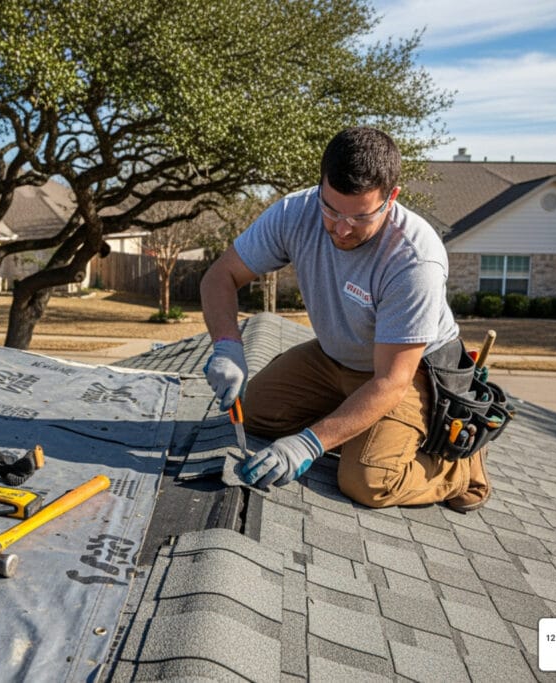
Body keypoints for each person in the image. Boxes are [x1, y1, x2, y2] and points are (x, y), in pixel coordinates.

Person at [200, 127, 489, 512]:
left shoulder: (414, 260)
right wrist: (227, 345)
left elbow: (390, 381)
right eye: (331, 209)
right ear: (320, 185)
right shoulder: (295, 212)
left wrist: (309, 443)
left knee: (369, 482)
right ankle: (353, 425)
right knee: (253, 411)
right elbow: (220, 276)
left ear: (391, 199)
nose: (340, 228)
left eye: (359, 216)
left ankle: (460, 468)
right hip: (337, 356)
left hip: (411, 371)